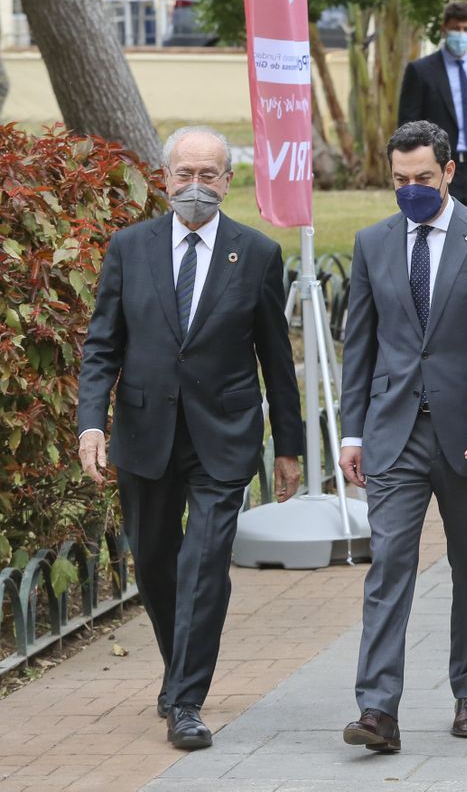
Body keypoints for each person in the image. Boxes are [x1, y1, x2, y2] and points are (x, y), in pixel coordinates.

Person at [77, 126, 304, 751]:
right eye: (185, 174)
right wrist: (91, 422)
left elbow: (275, 357)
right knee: (154, 561)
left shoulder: (255, 253)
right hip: (146, 432)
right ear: (165, 177)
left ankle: (185, 701)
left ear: (227, 182)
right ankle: (179, 669)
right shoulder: (129, 247)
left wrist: (289, 445)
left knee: (204, 564)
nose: (196, 187)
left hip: (222, 436)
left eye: (209, 175)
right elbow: (102, 346)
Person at [338, 121, 467, 752]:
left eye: (423, 178)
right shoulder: (372, 242)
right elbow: (359, 347)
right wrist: (350, 433)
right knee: (389, 565)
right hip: (393, 432)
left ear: (448, 172)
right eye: (400, 180)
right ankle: (378, 710)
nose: (412, 189)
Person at [397, 0, 467, 215]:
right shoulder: (421, 71)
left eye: (466, 29)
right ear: (444, 29)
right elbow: (407, 127)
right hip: (440, 168)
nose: (461, 34)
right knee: (440, 231)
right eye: (455, 28)